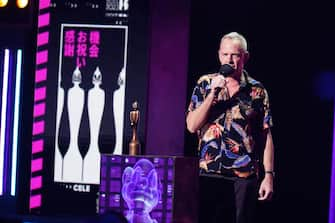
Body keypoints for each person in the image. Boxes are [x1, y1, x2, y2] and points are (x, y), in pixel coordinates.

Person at [186, 32, 275, 223]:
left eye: (235, 55)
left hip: (243, 175)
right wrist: (212, 95)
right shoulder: (205, 84)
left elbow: (265, 135)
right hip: (209, 173)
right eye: (225, 55)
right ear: (219, 55)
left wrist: (268, 176)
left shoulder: (257, 91)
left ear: (245, 57)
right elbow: (192, 126)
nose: (230, 60)